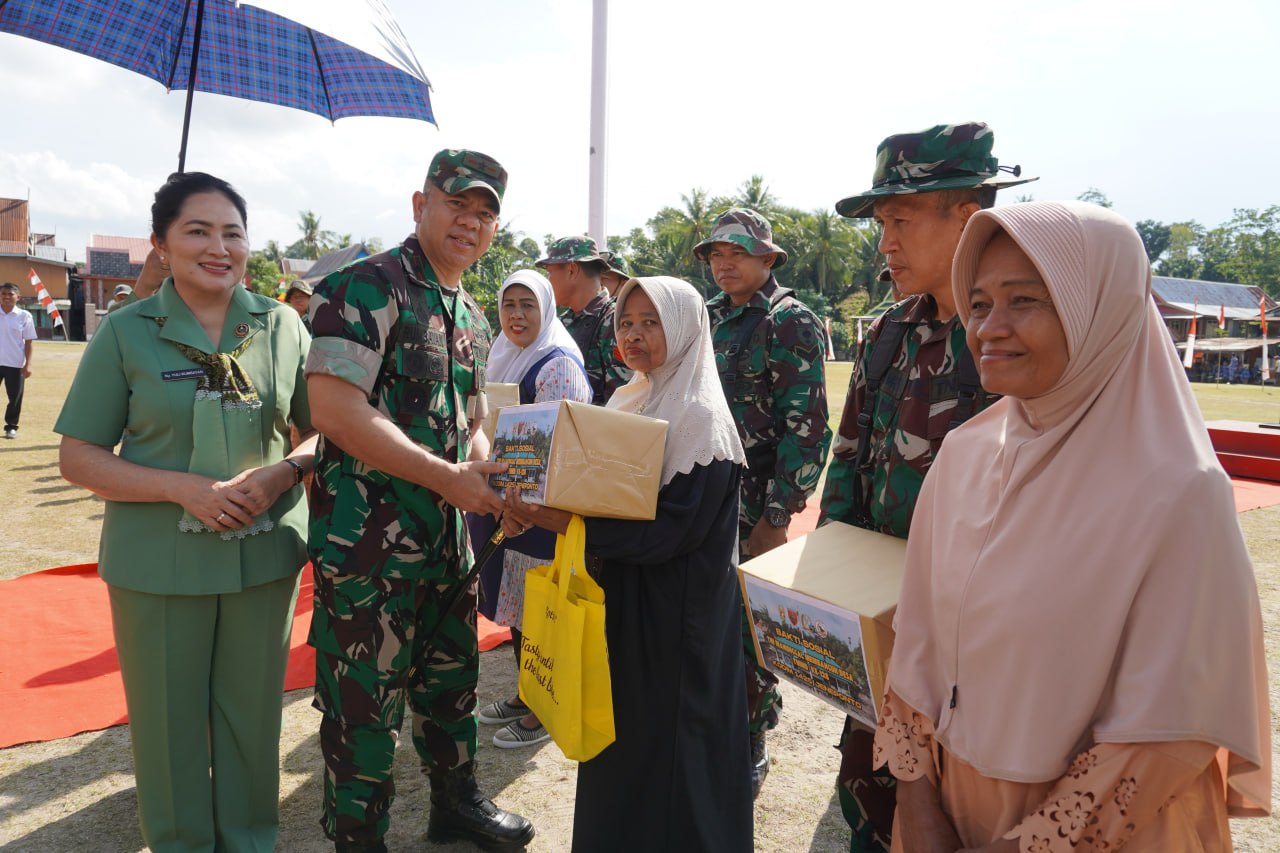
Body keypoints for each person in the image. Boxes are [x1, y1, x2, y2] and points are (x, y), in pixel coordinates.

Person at [875, 200, 1272, 851]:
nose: (989, 328)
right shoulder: (967, 454)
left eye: (1024, 300)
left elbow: (1172, 729)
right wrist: (916, 801)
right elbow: (916, 645)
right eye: (979, 304)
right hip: (951, 808)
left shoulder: (1178, 492)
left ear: (1101, 311)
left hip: (1106, 828)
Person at [54, 171, 316, 852]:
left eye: (233, 232)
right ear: (161, 244)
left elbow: (324, 430)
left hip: (263, 557)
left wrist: (285, 471)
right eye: (197, 231)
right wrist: (180, 487)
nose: (218, 248)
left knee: (252, 720)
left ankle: (249, 840)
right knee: (168, 726)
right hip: (158, 563)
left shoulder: (282, 325)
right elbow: (79, 455)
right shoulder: (126, 331)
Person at [305, 148, 534, 853]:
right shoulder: (365, 287)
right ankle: (358, 837)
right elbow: (334, 409)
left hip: (443, 542)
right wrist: (448, 478)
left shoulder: (468, 312)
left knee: (451, 684)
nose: (471, 221)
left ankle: (454, 804)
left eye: (485, 213)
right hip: (367, 549)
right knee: (364, 708)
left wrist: (490, 478)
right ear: (420, 204)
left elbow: (469, 423)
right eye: (457, 204)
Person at [818, 121, 1035, 851]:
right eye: (881, 224)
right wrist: (832, 595)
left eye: (901, 220)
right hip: (885, 631)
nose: (885, 242)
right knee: (871, 804)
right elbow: (848, 463)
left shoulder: (1015, 338)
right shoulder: (888, 330)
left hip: (981, 650)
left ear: (967, 216)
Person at [503, 276, 753, 852]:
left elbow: (670, 533)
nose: (633, 335)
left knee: (672, 755)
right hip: (628, 603)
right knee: (624, 746)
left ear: (684, 328)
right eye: (626, 322)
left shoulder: (700, 419)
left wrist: (564, 522)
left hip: (676, 622)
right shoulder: (633, 397)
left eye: (651, 322)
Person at [695, 207, 832, 797]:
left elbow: (808, 428)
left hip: (756, 508)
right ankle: (714, 724)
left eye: (738, 253)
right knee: (709, 618)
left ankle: (752, 736)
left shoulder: (787, 321)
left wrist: (778, 517)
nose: (724, 264)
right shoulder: (709, 317)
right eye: (716, 255)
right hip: (706, 499)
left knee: (750, 627)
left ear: (768, 259)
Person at [470, 268, 591, 749]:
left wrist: (521, 507)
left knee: (544, 609)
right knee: (519, 606)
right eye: (509, 304)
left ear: (546, 309)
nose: (516, 315)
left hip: (538, 513)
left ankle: (546, 706)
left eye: (528, 305)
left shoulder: (557, 364)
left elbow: (561, 451)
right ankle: (528, 691)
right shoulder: (502, 353)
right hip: (504, 503)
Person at [537, 235, 631, 403]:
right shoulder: (562, 322)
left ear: (572, 270)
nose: (548, 281)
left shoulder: (615, 322)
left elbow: (622, 400)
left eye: (550, 272)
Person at [0, 281, 36, 440]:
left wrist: (28, 364)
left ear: (18, 297)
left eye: (10, 294)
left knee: (15, 398)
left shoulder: (24, 316)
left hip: (15, 364)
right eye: (3, 294)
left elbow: (29, 341)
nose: (6, 297)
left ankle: (11, 427)